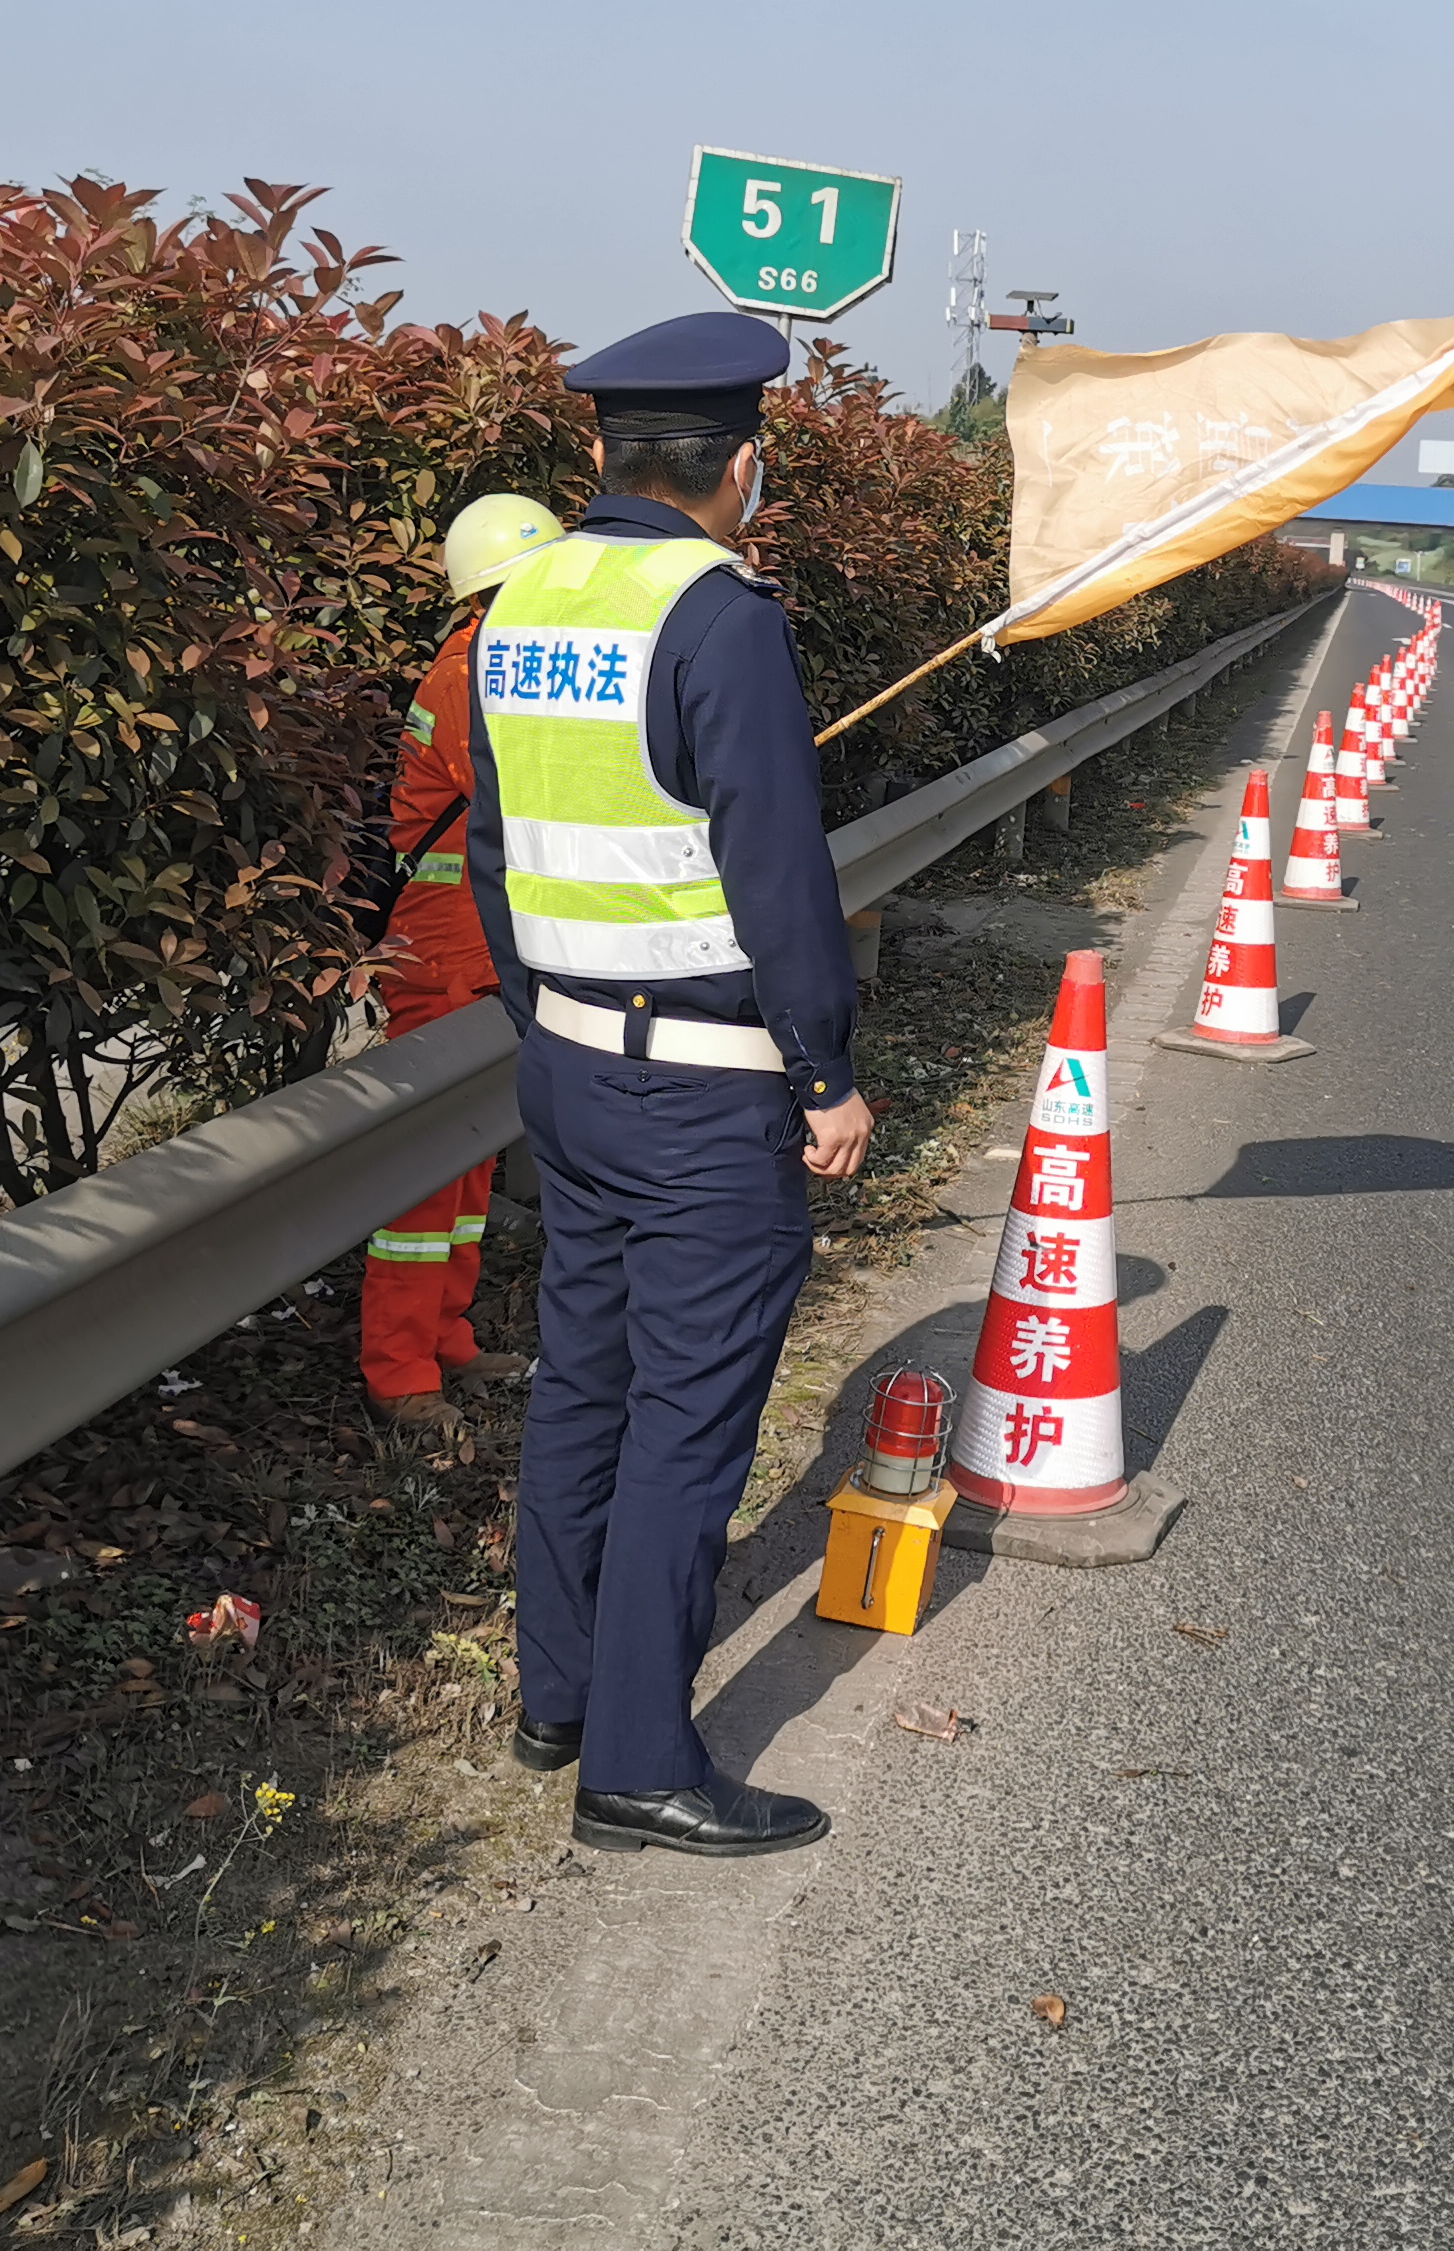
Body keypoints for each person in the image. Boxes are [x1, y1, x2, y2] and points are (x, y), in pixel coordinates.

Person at [462, 310, 871, 1860]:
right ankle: (638, 1759)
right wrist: (825, 1072)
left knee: (585, 1387)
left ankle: (555, 1698)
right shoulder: (720, 617)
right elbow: (777, 876)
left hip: (566, 1066)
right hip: (703, 1093)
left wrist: (548, 1016)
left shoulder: (525, 597)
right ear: (745, 468)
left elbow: (497, 855)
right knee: (689, 1423)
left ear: (597, 453)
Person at [358, 493, 559, 1431]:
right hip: (445, 944)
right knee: (427, 1179)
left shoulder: (502, 659)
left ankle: (449, 1339)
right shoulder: (472, 671)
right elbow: (523, 791)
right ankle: (399, 1371)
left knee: (472, 1159)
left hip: (482, 937)